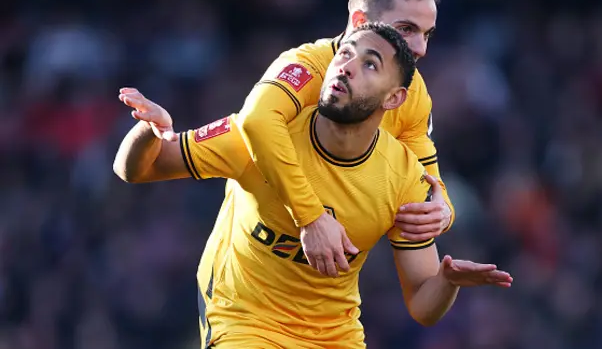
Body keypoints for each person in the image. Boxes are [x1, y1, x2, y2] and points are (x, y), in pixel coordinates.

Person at [113, 23, 512, 349]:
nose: (346, 66)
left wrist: (448, 282)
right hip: (245, 324)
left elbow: (424, 307)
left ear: (394, 99)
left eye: (369, 65)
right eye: (344, 54)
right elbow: (134, 169)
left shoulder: (403, 176)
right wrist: (150, 133)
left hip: (334, 337)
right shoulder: (257, 139)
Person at [236, 0, 455, 278]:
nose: (420, 48)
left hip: (327, 293)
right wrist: (310, 217)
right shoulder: (307, 66)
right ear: (360, 20)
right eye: (407, 29)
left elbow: (424, 173)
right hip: (247, 277)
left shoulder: (412, 92)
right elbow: (256, 121)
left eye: (427, 34)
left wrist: (442, 210)